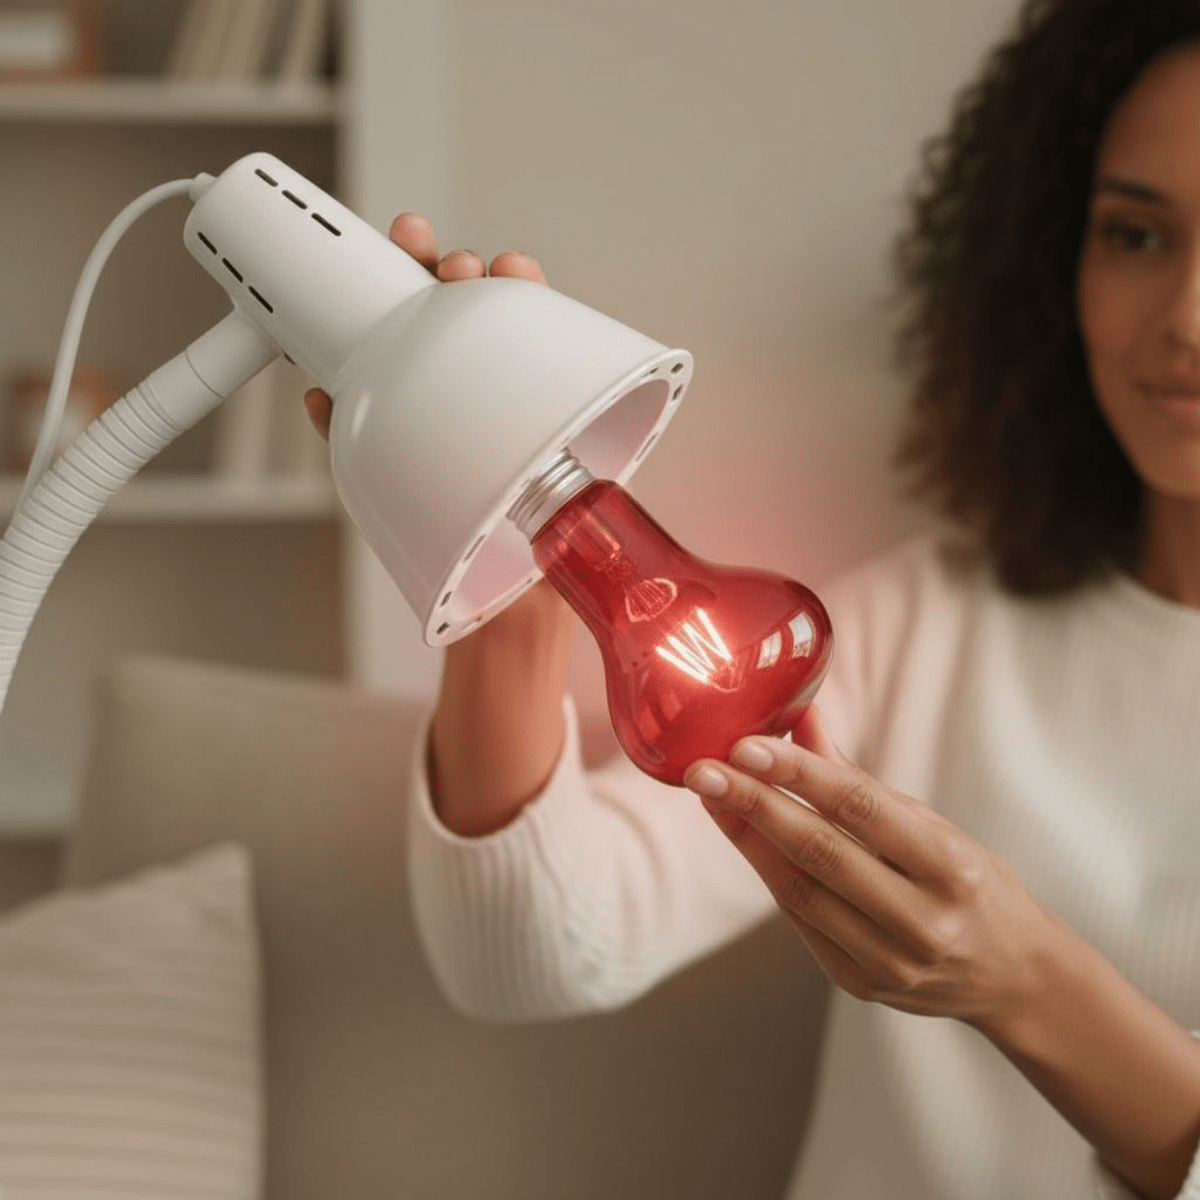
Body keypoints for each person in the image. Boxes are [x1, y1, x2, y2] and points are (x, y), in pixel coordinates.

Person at [307, 1, 1200, 1195]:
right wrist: (513, 555)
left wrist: (1023, 978)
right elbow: (530, 955)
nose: (1188, 322)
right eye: (1137, 236)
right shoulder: (915, 631)